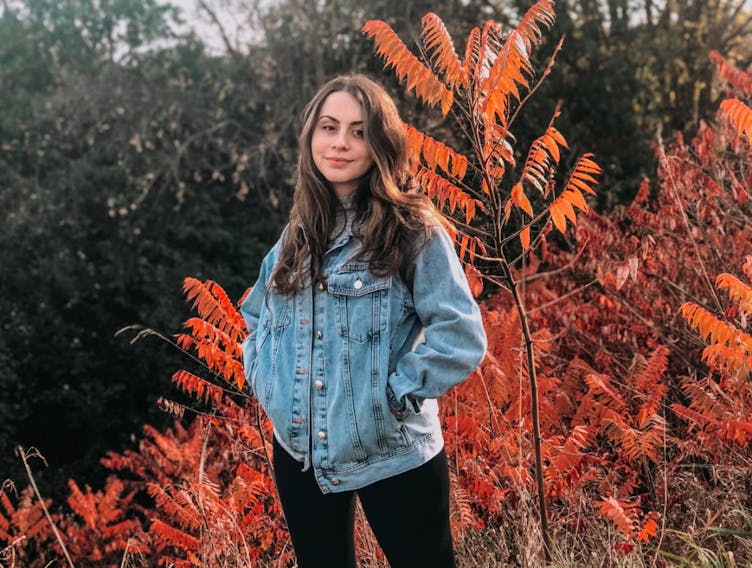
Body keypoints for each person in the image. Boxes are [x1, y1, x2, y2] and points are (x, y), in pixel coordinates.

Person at [240, 74, 487, 568]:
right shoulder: (297, 234)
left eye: (358, 131)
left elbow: (460, 334)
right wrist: (267, 379)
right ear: (311, 134)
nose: (340, 143)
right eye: (329, 127)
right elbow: (255, 317)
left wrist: (391, 396)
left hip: (391, 450)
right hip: (299, 451)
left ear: (380, 143)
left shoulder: (412, 230)